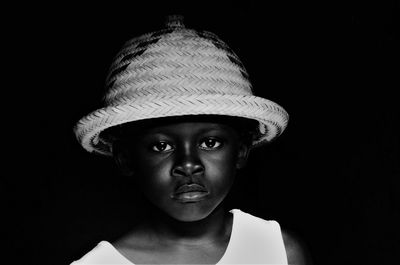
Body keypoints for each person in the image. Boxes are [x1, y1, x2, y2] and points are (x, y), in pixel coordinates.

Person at [71, 15, 312, 264]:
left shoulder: (278, 251)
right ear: (125, 158)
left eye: (210, 143)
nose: (188, 164)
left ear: (242, 150)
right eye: (162, 145)